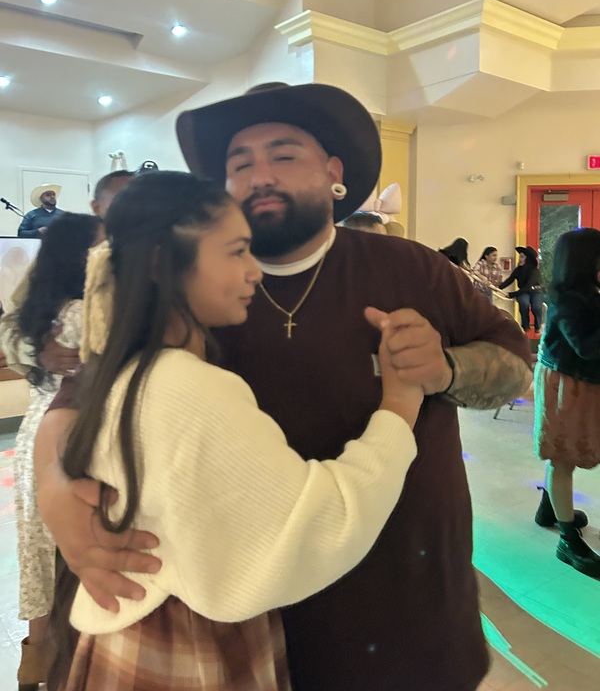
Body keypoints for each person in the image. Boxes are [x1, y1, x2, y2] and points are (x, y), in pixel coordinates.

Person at [36, 83, 532, 691]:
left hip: (409, 602)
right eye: (240, 163)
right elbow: (91, 388)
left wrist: (445, 370)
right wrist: (54, 486)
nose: (259, 175)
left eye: (284, 154)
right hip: (251, 620)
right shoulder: (192, 295)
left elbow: (514, 366)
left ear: (333, 174)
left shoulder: (410, 268)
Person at [50, 170, 421, 690]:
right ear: (163, 262)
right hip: (181, 640)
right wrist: (400, 406)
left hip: (129, 627)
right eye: (236, 252)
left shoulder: (119, 367)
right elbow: (317, 522)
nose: (256, 272)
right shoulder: (187, 388)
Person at [2, 213, 102, 691]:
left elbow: (13, 330)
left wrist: (35, 350)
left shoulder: (41, 302)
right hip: (79, 431)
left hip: (34, 433)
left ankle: (34, 658)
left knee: (38, 550)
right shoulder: (96, 307)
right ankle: (75, 662)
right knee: (81, 550)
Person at [0, 170, 133, 379]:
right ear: (97, 207)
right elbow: (11, 322)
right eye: (125, 200)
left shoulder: (168, 252)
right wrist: (37, 351)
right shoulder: (70, 249)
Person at [533, 228, 600, 578]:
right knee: (563, 459)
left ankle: (550, 507)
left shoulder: (584, 292)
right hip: (565, 385)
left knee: (566, 454)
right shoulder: (569, 300)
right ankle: (568, 542)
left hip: (577, 381)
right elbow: (587, 347)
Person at [499, 245, 544, 332]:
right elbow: (509, 280)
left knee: (537, 307)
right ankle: (526, 326)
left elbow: (528, 286)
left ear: (528, 259)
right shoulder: (518, 270)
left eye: (522, 257)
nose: (520, 259)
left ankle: (538, 326)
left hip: (535, 291)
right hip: (523, 292)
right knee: (524, 303)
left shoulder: (535, 271)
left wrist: (512, 294)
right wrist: (498, 287)